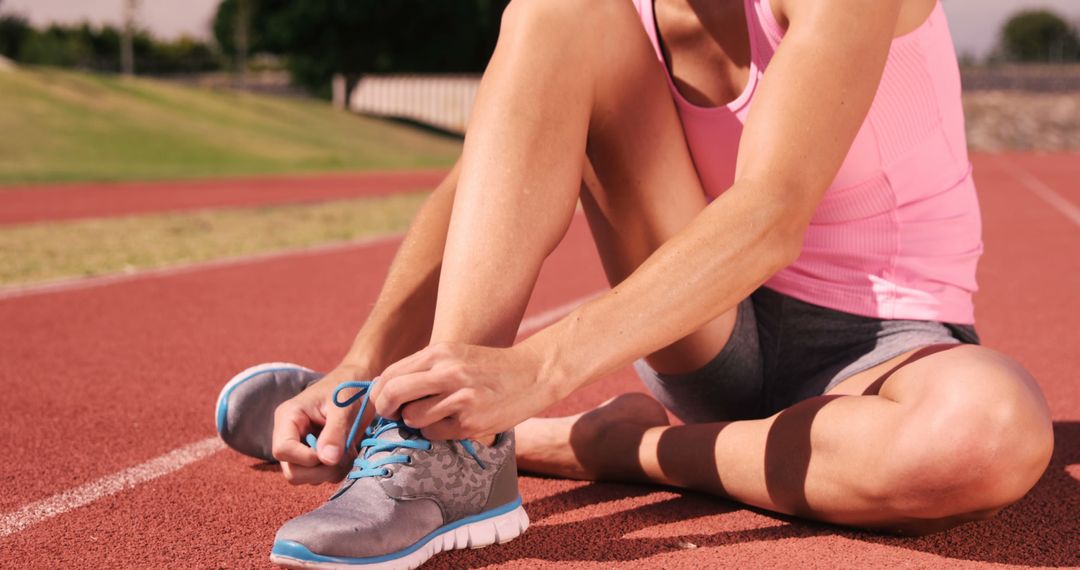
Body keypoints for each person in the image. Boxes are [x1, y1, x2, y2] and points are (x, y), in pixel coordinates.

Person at [215, 0, 1055, 567]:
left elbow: (771, 212)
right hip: (703, 330)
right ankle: (443, 448)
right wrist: (359, 365)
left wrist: (538, 375)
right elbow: (482, 180)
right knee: (553, 8)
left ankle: (601, 446)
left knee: (988, 438)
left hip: (884, 349)